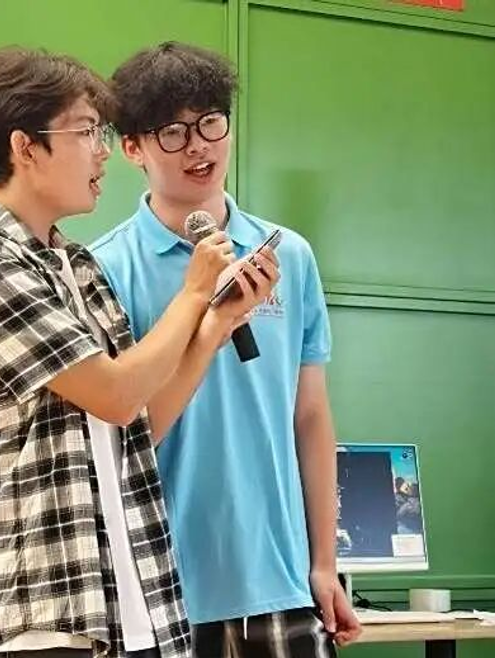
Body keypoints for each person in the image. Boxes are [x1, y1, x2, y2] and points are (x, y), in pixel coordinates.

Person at [0, 46, 278, 658]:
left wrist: (215, 326)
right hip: (26, 615)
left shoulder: (77, 265)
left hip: (120, 604)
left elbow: (137, 423)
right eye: (87, 132)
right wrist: (195, 292)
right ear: (25, 147)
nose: (103, 151)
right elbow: (114, 393)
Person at [91, 42, 362, 657]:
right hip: (158, 584)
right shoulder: (104, 268)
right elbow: (118, 434)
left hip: (281, 579)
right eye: (173, 132)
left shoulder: (287, 255)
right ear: (132, 148)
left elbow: (311, 416)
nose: (199, 146)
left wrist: (324, 563)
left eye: (211, 122)